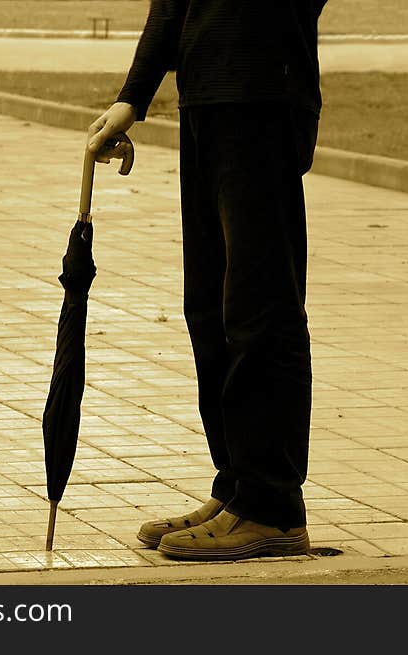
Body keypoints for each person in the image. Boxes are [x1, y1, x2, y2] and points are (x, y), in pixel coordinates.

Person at [87, 0, 326, 561]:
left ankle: (273, 508)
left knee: (261, 310)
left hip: (264, 98)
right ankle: (238, 487)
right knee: (210, 310)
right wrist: (133, 97)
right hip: (207, 100)